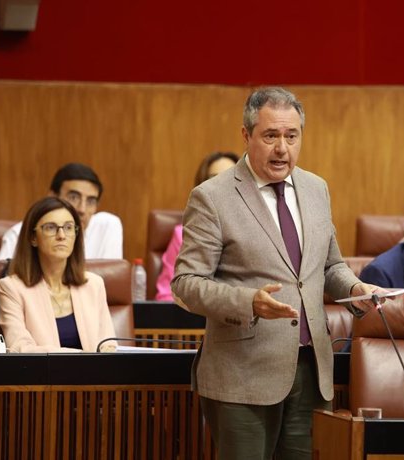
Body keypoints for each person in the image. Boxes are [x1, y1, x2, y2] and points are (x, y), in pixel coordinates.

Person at [171, 87, 381, 460]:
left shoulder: (317, 189)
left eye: (291, 136)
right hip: (243, 375)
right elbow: (186, 284)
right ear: (246, 135)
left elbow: (328, 265)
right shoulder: (212, 197)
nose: (282, 148)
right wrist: (248, 301)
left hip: (311, 371)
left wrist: (355, 288)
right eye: (270, 136)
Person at [0, 163, 123, 300]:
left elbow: (110, 294)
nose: (82, 209)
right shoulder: (21, 233)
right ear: (52, 197)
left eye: (91, 201)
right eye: (73, 197)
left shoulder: (107, 226)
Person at [0, 197, 117, 352]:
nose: (61, 235)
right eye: (51, 228)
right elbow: (20, 348)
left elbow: (107, 342)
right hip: (40, 375)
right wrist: (83, 356)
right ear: (33, 238)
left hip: (93, 375)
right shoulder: (11, 288)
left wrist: (108, 351)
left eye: (68, 227)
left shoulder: (94, 284)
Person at [155, 151, 239, 301]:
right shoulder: (183, 234)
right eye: (215, 179)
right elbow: (165, 295)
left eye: (230, 179)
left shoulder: (258, 232)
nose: (224, 187)